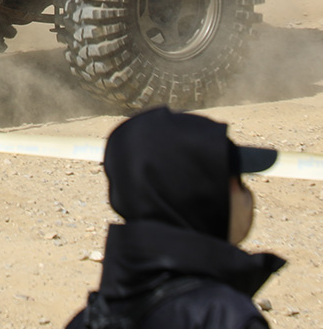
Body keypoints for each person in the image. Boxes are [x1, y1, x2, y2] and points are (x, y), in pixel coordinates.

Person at [66, 107, 286, 329]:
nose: (248, 195)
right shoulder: (225, 317)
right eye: (238, 181)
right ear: (205, 193)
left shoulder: (86, 320)